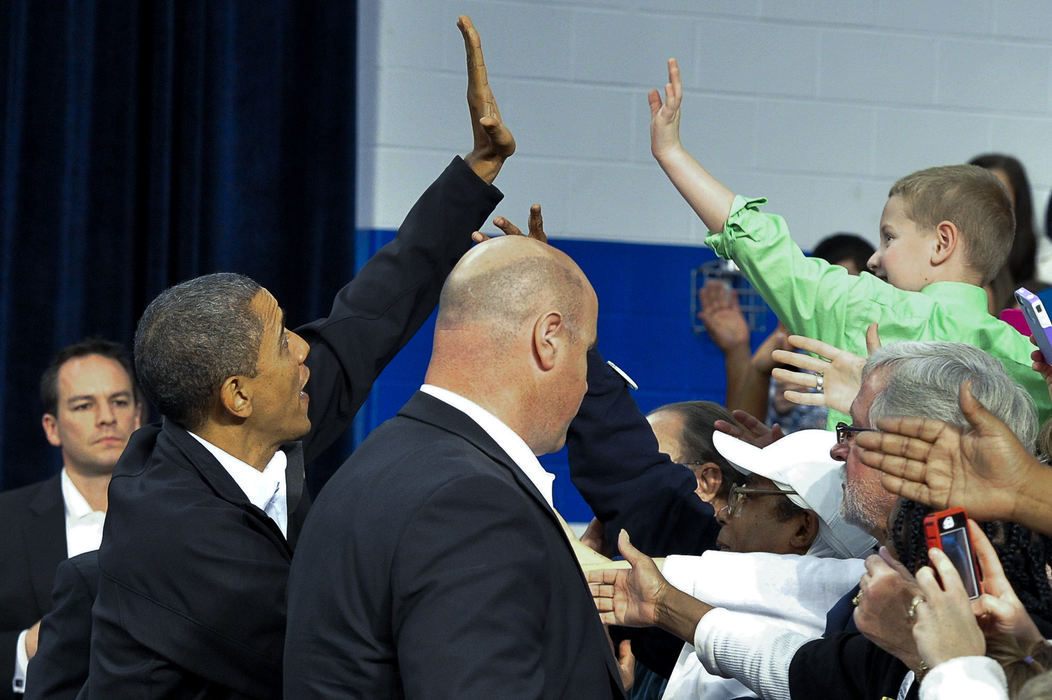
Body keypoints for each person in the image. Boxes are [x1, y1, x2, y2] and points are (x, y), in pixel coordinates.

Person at [85, 15, 514, 698]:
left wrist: (477, 169)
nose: (305, 354)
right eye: (283, 341)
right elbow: (334, 649)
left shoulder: (261, 440)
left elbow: (366, 318)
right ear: (238, 395)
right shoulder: (175, 532)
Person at [588, 340, 1038, 700]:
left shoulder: (1014, 599)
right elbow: (799, 669)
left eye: (854, 430)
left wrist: (952, 665)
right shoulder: (899, 581)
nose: (837, 449)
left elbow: (637, 483)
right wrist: (663, 604)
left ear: (919, 448)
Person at [283, 234, 624, 698]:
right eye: (585, 352)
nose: (586, 381)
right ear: (548, 339)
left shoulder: (379, 459)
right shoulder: (473, 502)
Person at [648, 58, 1051, 426]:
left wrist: (672, 153)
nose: (876, 258)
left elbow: (761, 244)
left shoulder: (863, 308)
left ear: (942, 242)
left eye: (889, 237)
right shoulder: (1028, 361)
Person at [0, 338, 141, 697]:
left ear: (138, 417)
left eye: (119, 402)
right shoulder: (6, 521)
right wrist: (24, 649)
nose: (106, 417)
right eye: (83, 405)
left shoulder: (187, 516)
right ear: (51, 427)